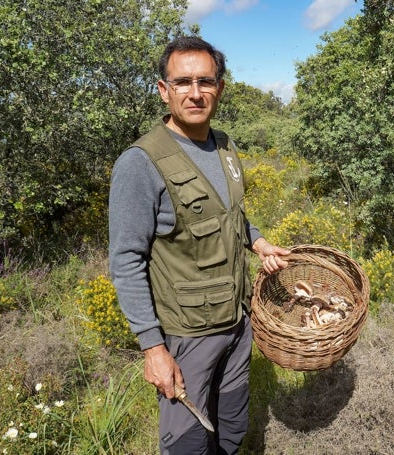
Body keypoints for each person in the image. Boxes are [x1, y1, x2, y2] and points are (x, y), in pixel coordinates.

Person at [108, 36, 290, 454]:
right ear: (163, 89)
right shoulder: (140, 163)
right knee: (188, 444)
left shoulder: (223, 146)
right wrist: (153, 347)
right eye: (182, 82)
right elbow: (125, 261)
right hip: (185, 336)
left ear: (220, 88)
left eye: (205, 82)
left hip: (238, 323)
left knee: (231, 429)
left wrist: (258, 243)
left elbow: (229, 215)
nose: (195, 93)